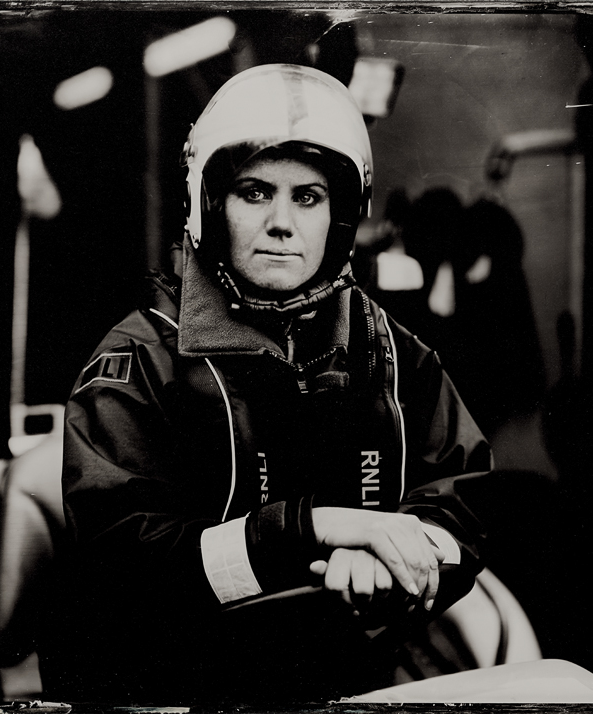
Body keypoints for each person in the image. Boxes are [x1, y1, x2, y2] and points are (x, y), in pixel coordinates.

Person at [39, 64, 492, 706]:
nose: (282, 222)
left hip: (348, 680)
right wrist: (315, 531)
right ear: (211, 204)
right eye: (254, 192)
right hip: (177, 688)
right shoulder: (139, 361)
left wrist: (395, 550)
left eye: (307, 197)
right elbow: (127, 572)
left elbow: (463, 498)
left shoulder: (393, 354)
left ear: (340, 216)